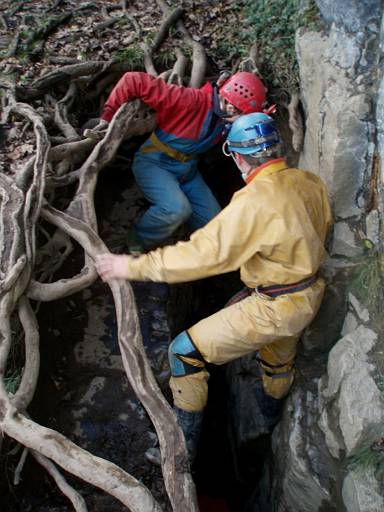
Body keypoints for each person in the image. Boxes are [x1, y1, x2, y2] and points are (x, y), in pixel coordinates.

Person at [95, 113, 332, 462]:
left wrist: (131, 266)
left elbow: (202, 255)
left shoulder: (254, 202)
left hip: (273, 307)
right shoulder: (309, 181)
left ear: (237, 156)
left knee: (183, 352)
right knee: (277, 364)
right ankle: (266, 427)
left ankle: (180, 452)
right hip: (307, 295)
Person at [94, 71, 268, 252]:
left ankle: (192, 260)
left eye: (242, 113)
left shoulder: (226, 118)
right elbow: (133, 80)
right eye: (237, 110)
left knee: (215, 224)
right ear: (227, 100)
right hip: (154, 163)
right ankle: (133, 247)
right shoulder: (191, 101)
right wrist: (107, 118)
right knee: (176, 209)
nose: (237, 116)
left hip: (187, 170)